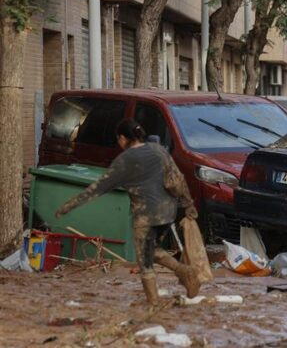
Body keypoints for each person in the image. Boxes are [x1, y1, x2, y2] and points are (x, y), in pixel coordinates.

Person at [56, 118, 201, 305]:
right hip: (168, 212)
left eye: (119, 139)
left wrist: (68, 206)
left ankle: (154, 301)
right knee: (153, 251)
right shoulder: (158, 150)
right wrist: (188, 204)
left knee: (145, 261)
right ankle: (183, 271)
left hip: (146, 216)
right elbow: (177, 179)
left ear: (123, 138)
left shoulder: (124, 161)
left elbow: (97, 188)